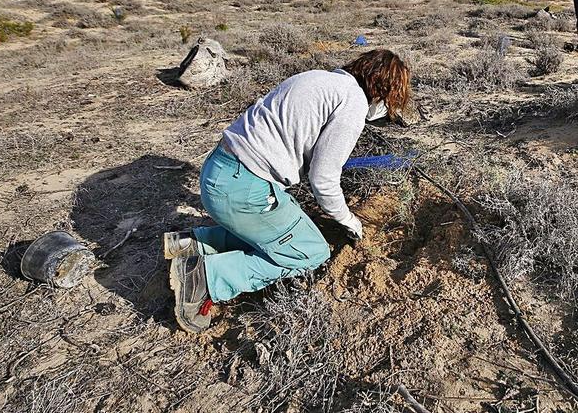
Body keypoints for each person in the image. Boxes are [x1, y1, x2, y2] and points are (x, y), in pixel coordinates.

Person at [164, 49, 411, 333]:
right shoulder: (353, 102)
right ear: (382, 91)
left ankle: (191, 243)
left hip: (218, 171)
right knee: (310, 252)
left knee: (276, 232)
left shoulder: (319, 78)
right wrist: (348, 219)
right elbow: (323, 178)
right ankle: (205, 278)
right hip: (243, 188)